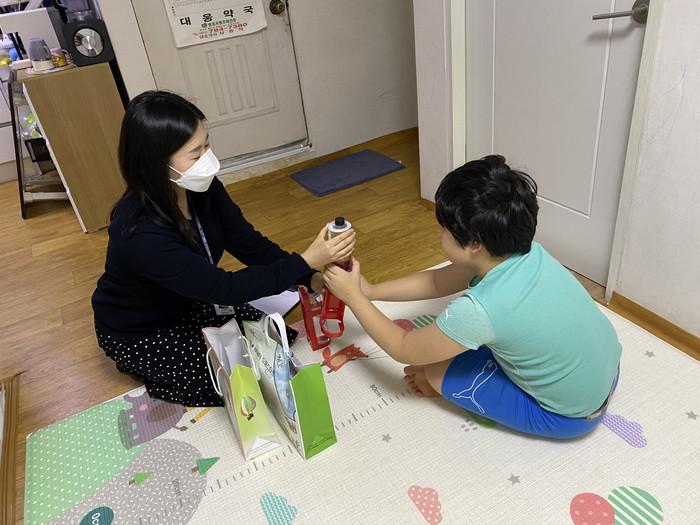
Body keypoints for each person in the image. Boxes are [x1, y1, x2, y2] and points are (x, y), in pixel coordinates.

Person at [324, 155, 621, 439]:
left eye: (444, 230)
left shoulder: (478, 310)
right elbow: (438, 280)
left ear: (474, 244)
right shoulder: (526, 252)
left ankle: (439, 382)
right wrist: (371, 291)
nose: (440, 234)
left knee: (435, 371)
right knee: (477, 341)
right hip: (607, 370)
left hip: (569, 416)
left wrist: (354, 298)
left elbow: (403, 347)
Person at [92, 91, 355, 406]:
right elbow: (225, 289)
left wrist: (308, 276)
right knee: (237, 381)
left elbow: (248, 243)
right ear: (156, 163)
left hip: (188, 301)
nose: (207, 159)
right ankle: (141, 367)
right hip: (139, 329)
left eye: (207, 145)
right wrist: (306, 259)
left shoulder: (202, 188)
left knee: (272, 343)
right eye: (195, 153)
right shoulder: (139, 232)